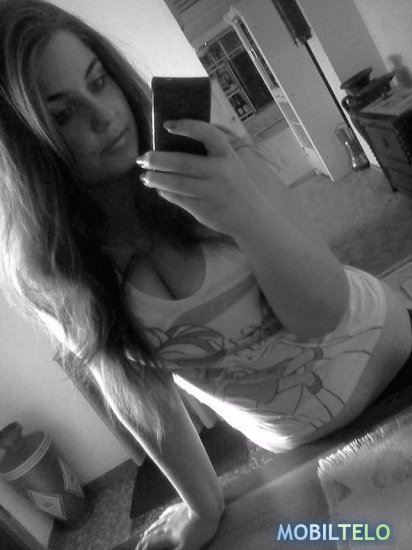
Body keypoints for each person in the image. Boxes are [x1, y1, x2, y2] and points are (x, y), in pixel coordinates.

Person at [0, 1, 411, 549]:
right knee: (371, 537)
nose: (103, 115)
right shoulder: (56, 271)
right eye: (62, 115)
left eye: (98, 82)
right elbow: (141, 396)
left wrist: (241, 210)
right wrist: (203, 507)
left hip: (397, 362)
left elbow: (323, 314)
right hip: (296, 447)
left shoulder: (220, 160)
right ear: (29, 148)